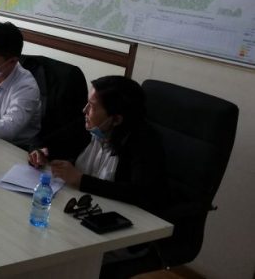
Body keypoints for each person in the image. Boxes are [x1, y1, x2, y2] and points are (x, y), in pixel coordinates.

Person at [27, 75, 167, 213]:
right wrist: (39, 152)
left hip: (116, 216)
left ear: (116, 119)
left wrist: (81, 180)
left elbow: (139, 193)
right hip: (81, 206)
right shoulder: (89, 126)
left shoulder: (145, 143)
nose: (84, 110)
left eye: (92, 106)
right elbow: (40, 140)